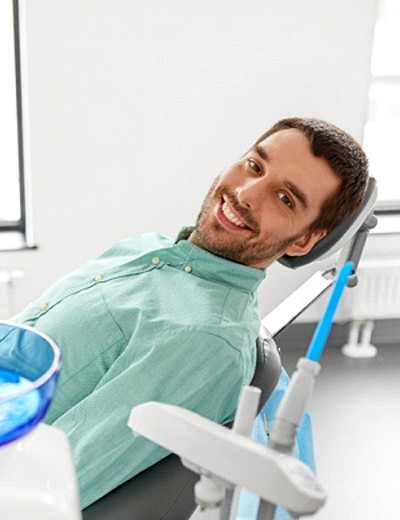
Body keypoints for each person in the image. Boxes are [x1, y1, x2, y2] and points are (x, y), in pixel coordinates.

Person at [12, 117, 369, 509]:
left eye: (285, 198)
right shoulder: (145, 248)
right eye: (255, 166)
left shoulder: (202, 341)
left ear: (303, 240)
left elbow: (52, 488)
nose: (246, 194)